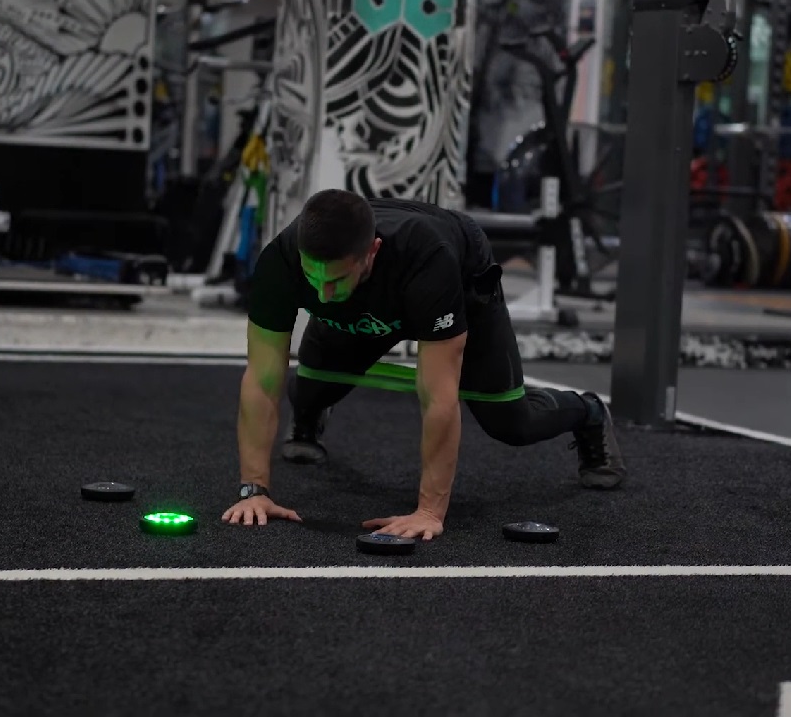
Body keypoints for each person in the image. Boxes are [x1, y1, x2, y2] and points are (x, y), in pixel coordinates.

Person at [222, 189, 625, 539]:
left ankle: (587, 411)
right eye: (314, 279)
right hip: (373, 295)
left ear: (371, 253)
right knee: (309, 384)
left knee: (510, 423)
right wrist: (253, 489)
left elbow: (438, 397)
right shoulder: (280, 260)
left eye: (336, 281)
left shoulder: (429, 258)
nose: (323, 297)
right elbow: (261, 378)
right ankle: (311, 414)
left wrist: (429, 512)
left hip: (458, 277)